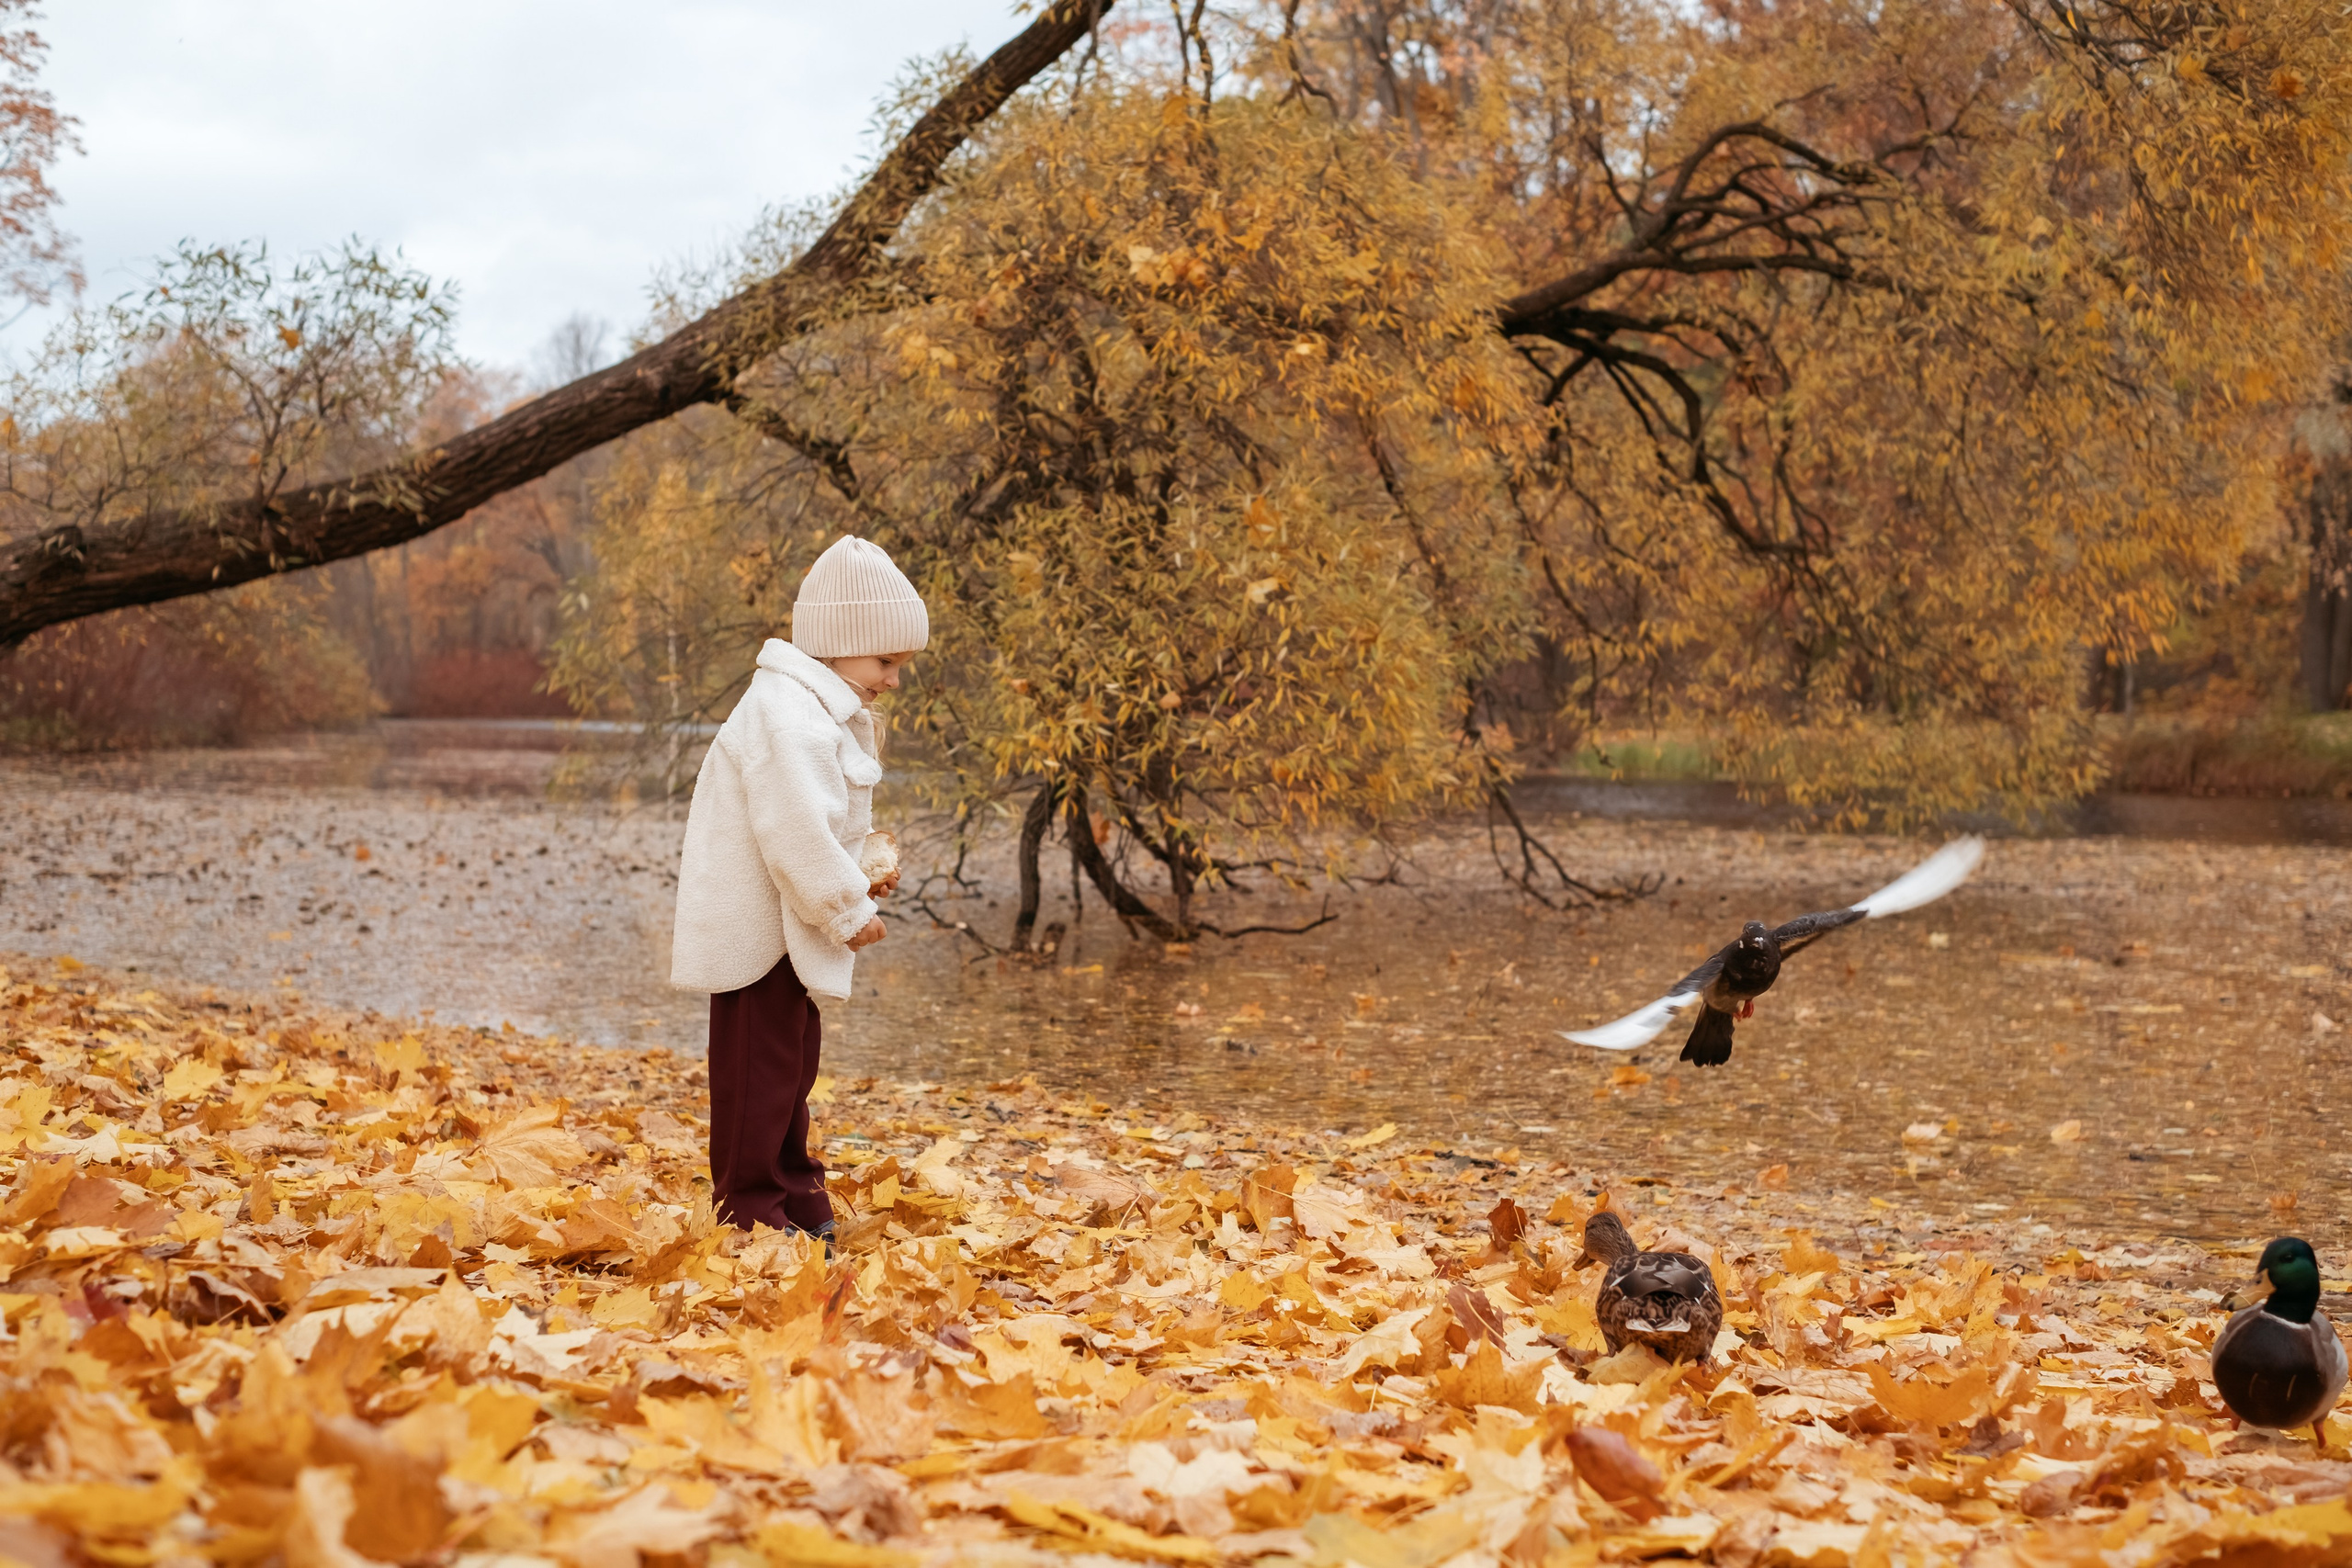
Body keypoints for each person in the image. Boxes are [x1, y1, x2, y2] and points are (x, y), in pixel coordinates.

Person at [669, 535, 927, 1245]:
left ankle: (795, 1189)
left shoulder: (814, 710)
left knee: (791, 1063)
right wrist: (847, 907)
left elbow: (823, 817)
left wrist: (863, 868)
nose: (893, 679)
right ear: (840, 645)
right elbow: (794, 831)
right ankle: (748, 1208)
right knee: (758, 1071)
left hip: (788, 923)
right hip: (759, 929)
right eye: (886, 663)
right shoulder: (789, 717)